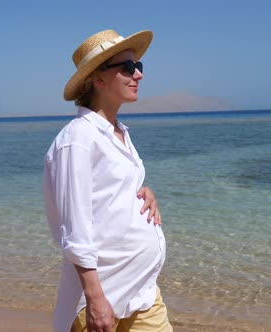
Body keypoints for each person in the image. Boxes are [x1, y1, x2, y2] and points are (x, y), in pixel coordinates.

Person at [42, 29, 172, 332]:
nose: (138, 74)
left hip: (143, 293)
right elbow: (74, 227)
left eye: (139, 66)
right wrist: (96, 299)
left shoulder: (120, 133)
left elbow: (108, 194)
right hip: (102, 300)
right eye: (127, 67)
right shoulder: (77, 140)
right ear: (98, 79)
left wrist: (142, 192)